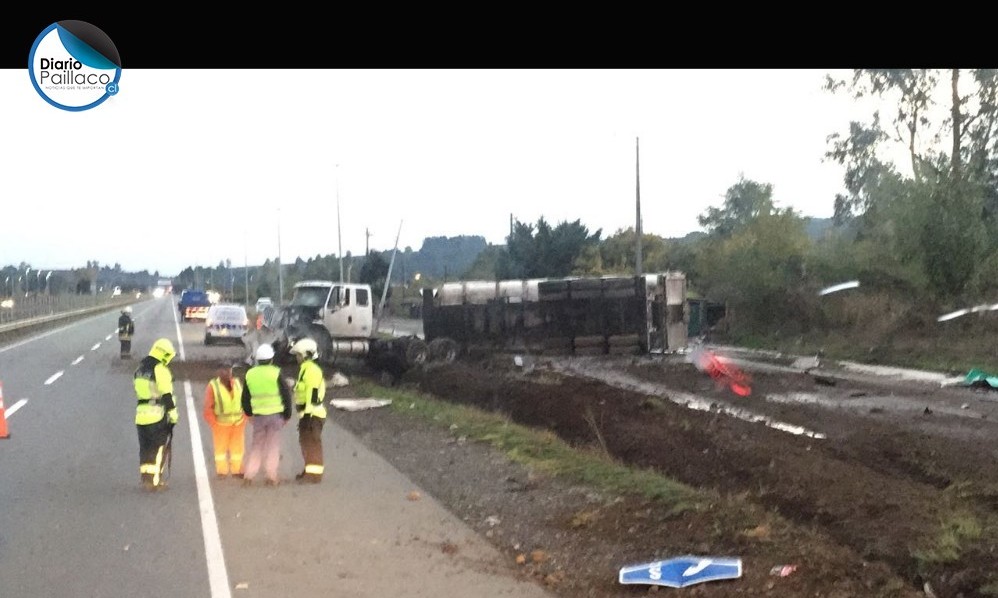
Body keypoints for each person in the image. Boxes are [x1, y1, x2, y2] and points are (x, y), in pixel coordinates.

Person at [240, 343, 292, 486]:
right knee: (272, 446)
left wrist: (249, 413)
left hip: (258, 416)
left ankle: (249, 475)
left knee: (256, 446)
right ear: (271, 358)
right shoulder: (276, 373)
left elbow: (245, 397)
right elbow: (286, 395)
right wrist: (287, 415)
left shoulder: (250, 374)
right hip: (275, 416)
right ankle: (271, 476)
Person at [133, 338, 178, 491]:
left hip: (141, 415)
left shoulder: (140, 368)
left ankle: (146, 479)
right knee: (158, 449)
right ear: (164, 354)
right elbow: (166, 394)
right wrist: (173, 415)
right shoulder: (160, 369)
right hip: (156, 415)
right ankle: (155, 481)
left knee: (145, 449)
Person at [290, 338, 326, 484]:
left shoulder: (311, 370)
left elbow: (312, 393)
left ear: (306, 354)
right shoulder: (306, 369)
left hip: (312, 414)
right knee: (306, 443)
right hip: (308, 413)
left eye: (298, 354)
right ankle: (309, 471)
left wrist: (308, 414)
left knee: (312, 443)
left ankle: (314, 475)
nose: (296, 357)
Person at [203, 362, 247, 479]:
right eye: (224, 370)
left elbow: (244, 401)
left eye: (229, 370)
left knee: (237, 449)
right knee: (220, 450)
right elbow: (208, 407)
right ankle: (222, 471)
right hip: (221, 424)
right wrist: (214, 424)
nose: (227, 373)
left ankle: (237, 470)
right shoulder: (213, 386)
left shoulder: (237, 383)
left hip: (238, 423)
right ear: (218, 372)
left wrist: (244, 419)